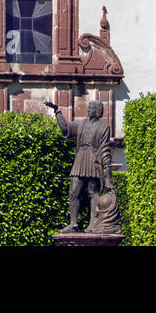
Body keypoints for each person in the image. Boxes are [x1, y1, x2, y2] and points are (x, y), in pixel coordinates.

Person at [45, 99, 112, 232]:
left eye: (92, 108)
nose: (89, 109)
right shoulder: (81, 124)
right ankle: (73, 225)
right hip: (80, 158)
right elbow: (65, 128)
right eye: (89, 107)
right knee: (73, 191)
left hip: (94, 160)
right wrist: (57, 111)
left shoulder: (104, 128)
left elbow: (104, 148)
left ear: (98, 111)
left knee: (93, 192)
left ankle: (94, 224)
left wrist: (106, 167)